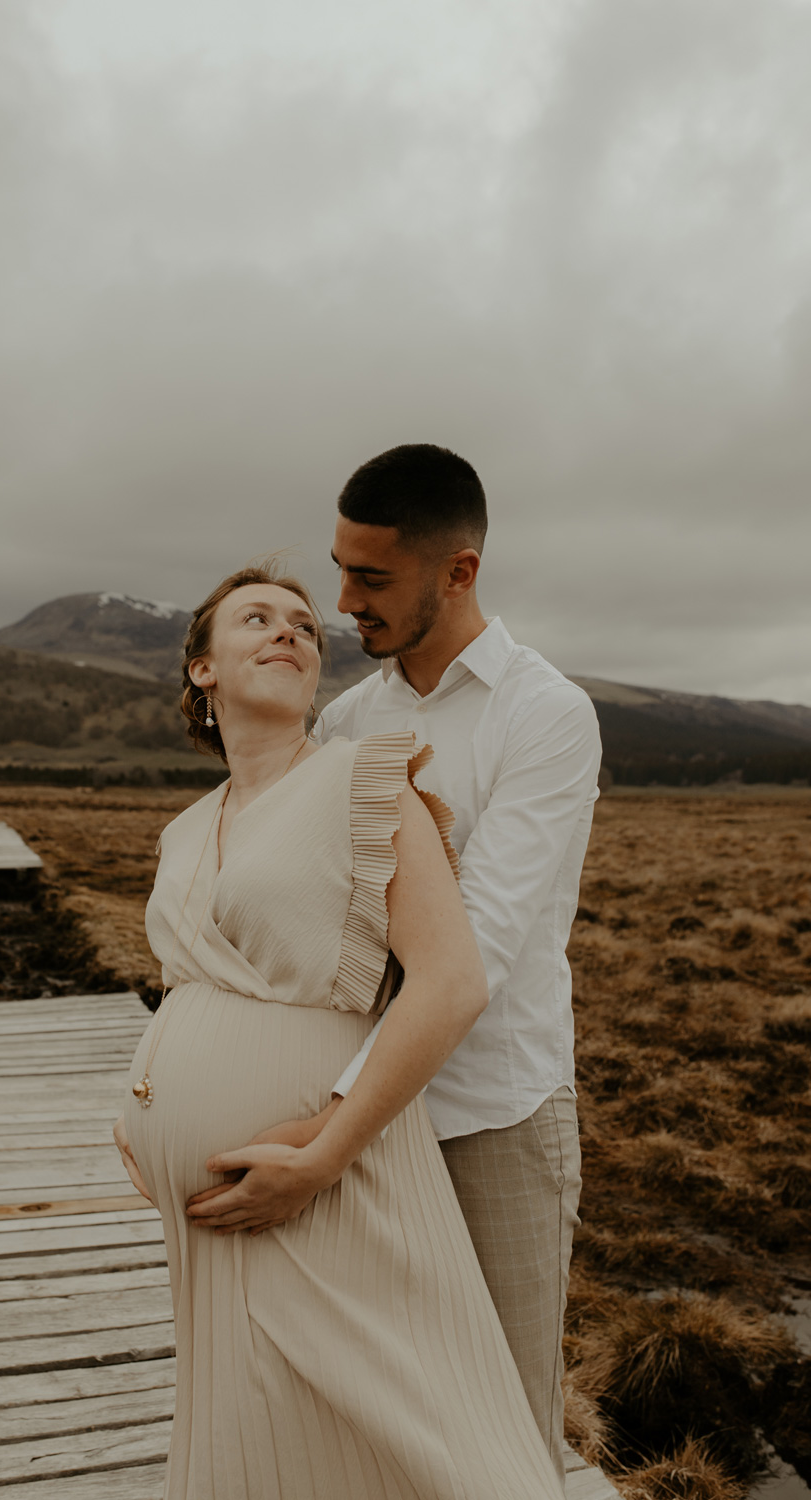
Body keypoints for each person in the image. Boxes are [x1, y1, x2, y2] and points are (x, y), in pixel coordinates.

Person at [185, 445, 603, 1486]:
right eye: (339, 568)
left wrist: (331, 1120)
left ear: (456, 573)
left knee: (504, 1424)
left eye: (370, 579)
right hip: (359, 1126)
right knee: (384, 1414)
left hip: (489, 1119)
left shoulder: (543, 716)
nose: (340, 601)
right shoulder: (346, 723)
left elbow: (480, 951)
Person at [113, 563, 564, 1499]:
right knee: (262, 1425)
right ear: (201, 669)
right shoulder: (188, 827)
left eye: (305, 629)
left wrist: (326, 1150)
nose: (289, 633)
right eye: (256, 620)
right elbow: (192, 985)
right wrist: (146, 1106)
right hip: (206, 1207)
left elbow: (450, 980)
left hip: (326, 1162)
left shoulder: (364, 777)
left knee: (419, 1428)